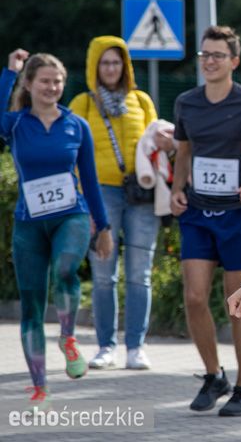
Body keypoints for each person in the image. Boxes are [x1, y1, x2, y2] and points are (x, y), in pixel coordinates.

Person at [171, 25, 241, 416]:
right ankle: (213, 374)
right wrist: (176, 188)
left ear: (234, 61)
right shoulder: (187, 102)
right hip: (199, 213)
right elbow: (183, 153)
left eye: (217, 55)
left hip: (239, 216)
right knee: (195, 296)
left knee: (238, 304)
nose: (210, 61)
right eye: (204, 55)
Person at [1, 49, 113, 407]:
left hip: (72, 215)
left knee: (66, 268)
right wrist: (9, 72)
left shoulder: (75, 125)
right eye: (45, 81)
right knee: (32, 305)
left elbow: (91, 181)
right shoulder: (16, 124)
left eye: (58, 81)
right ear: (30, 84)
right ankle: (39, 386)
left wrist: (104, 226)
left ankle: (67, 338)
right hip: (28, 224)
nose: (52, 87)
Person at [69, 36, 160, 371]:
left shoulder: (141, 100)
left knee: (140, 273)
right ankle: (106, 345)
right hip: (100, 194)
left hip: (141, 193)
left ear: (125, 65)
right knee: (104, 273)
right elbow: (71, 154)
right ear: (94, 67)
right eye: (104, 62)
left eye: (116, 62)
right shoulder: (83, 104)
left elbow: (155, 143)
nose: (111, 68)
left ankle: (136, 346)